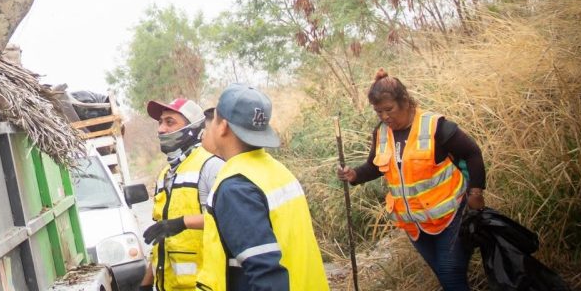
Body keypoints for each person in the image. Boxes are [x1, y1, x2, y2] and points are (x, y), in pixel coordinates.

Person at [337, 69, 485, 291]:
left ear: (405, 101)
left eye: (389, 109)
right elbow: (375, 166)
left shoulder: (436, 126)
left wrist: (475, 192)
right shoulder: (381, 133)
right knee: (445, 276)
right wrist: (354, 175)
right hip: (415, 225)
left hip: (450, 216)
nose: (385, 117)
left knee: (449, 274)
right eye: (379, 112)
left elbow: (472, 153)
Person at [197, 84, 329, 291]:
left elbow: (266, 274)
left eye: (213, 118)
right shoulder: (277, 170)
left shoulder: (236, 187)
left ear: (223, 126)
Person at [141, 97, 224, 290]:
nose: (161, 129)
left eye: (170, 122)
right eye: (160, 122)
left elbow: (229, 221)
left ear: (193, 128)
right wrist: (146, 284)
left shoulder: (211, 167)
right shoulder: (164, 175)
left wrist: (182, 223)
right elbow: (160, 239)